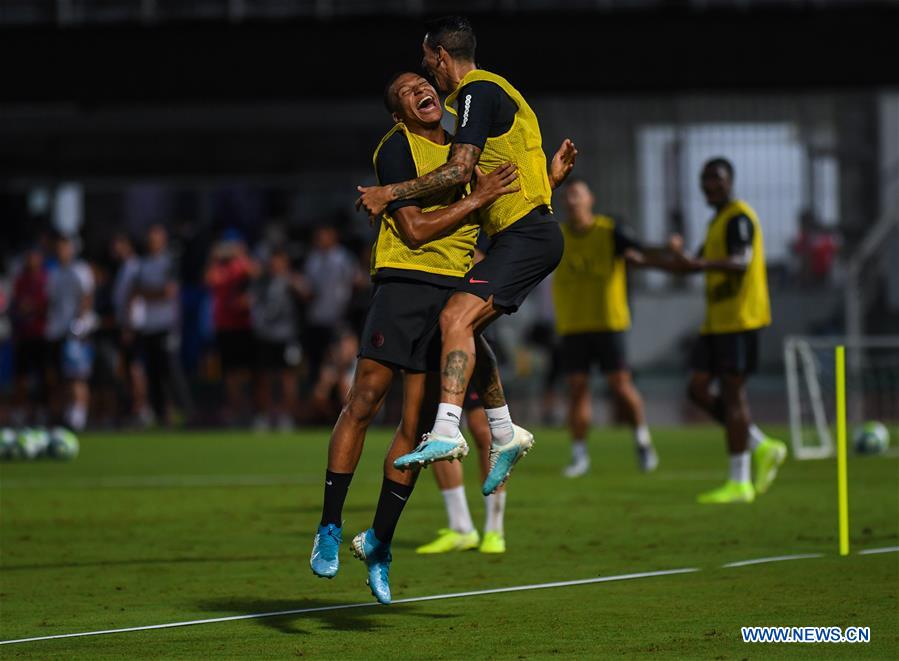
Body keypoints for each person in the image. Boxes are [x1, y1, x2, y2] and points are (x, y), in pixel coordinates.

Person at [309, 70, 529, 606]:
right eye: (407, 92)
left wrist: (548, 181)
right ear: (399, 113)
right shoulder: (396, 149)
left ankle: (381, 544)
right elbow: (415, 230)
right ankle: (330, 527)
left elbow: (503, 206)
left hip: (452, 297)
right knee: (362, 402)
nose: (421, 92)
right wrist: (477, 199)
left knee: (417, 426)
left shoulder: (465, 151)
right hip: (403, 286)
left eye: (422, 85)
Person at [357, 16, 577, 496]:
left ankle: (446, 430)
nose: (428, 78)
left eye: (426, 66)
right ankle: (504, 432)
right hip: (524, 232)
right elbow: (512, 174)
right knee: (467, 325)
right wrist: (550, 180)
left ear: (439, 56)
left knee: (454, 317)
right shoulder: (495, 94)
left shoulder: (477, 89)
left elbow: (461, 168)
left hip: (527, 237)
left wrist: (389, 191)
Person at [669, 157, 787, 504]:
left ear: (730, 181)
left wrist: (697, 262)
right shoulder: (717, 221)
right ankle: (759, 444)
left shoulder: (738, 218)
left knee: (734, 395)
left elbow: (740, 262)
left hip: (739, 321)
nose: (709, 185)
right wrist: (643, 259)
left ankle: (740, 482)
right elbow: (694, 263)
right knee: (697, 388)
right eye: (704, 179)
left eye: (716, 178)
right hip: (717, 322)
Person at [553, 177, 665, 477]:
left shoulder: (610, 231)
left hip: (608, 322)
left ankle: (642, 439)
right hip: (573, 324)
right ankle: (579, 455)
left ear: (590, 199)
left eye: (578, 194)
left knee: (620, 385)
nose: (572, 200)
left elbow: (641, 251)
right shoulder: (556, 237)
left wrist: (668, 250)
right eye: (567, 196)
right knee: (577, 389)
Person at [417, 386, 508, 554]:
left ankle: (495, 530)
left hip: (466, 362)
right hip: (434, 365)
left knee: (483, 431)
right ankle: (460, 528)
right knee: (438, 433)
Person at [132, 224, 193, 426]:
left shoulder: (169, 262)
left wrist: (150, 293)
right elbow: (137, 291)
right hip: (149, 325)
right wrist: (153, 293)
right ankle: (160, 415)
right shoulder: (143, 264)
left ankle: (186, 412)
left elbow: (169, 292)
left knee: (172, 370)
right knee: (153, 373)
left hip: (166, 324)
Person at [204, 229, 257, 425]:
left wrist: (240, 256)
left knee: (244, 370)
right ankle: (235, 408)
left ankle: (246, 407)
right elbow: (209, 279)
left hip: (242, 325)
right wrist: (215, 257)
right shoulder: (219, 267)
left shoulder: (240, 265)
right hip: (224, 326)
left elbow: (255, 271)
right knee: (229, 372)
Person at [300, 225, 361, 388]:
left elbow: (357, 280)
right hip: (316, 318)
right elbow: (307, 286)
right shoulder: (313, 259)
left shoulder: (343, 258)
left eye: (324, 236)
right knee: (317, 364)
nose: (320, 240)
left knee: (337, 363)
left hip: (337, 318)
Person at [45, 234, 95, 431]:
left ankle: (79, 415)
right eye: (58, 248)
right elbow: (52, 302)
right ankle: (67, 412)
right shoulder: (55, 273)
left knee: (77, 375)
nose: (61, 252)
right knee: (62, 376)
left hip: (76, 331)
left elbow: (87, 296)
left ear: (71, 249)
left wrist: (79, 323)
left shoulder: (80, 270)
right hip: (58, 330)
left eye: (64, 248)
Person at [251, 247, 302, 431]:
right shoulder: (262, 282)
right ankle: (264, 415)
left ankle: (286, 416)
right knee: (264, 377)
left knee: (287, 378)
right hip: (265, 336)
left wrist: (295, 285)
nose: (276, 266)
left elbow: (306, 294)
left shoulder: (291, 281)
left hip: (286, 336)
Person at [10, 245, 49, 426]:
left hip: (41, 335)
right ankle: (21, 411)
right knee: (21, 377)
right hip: (24, 335)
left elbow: (48, 304)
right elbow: (15, 305)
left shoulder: (46, 279)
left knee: (43, 376)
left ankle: (41, 410)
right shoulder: (20, 281)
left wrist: (33, 307)